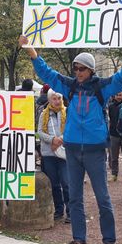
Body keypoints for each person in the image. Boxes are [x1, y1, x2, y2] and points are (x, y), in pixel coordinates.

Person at [19, 35, 122, 244]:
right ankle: (79, 239)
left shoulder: (101, 87)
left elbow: (121, 80)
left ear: (91, 70)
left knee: (103, 198)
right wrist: (32, 52)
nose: (78, 72)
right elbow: (47, 74)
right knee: (74, 197)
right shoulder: (69, 85)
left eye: (82, 69)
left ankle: (109, 241)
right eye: (76, 69)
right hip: (72, 149)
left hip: (94, 150)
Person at [38, 89, 70, 223]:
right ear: (50, 100)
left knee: (66, 182)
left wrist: (59, 140)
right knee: (54, 184)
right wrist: (52, 140)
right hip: (49, 153)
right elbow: (39, 131)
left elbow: (71, 129)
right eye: (54, 99)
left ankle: (70, 211)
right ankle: (58, 210)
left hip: (64, 153)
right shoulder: (44, 114)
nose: (57, 101)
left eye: (59, 98)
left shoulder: (67, 112)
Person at [107, 91, 122, 182]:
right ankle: (114, 174)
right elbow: (110, 120)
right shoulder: (111, 106)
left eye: (120, 95)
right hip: (113, 134)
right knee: (113, 156)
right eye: (117, 95)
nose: (119, 97)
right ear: (114, 96)